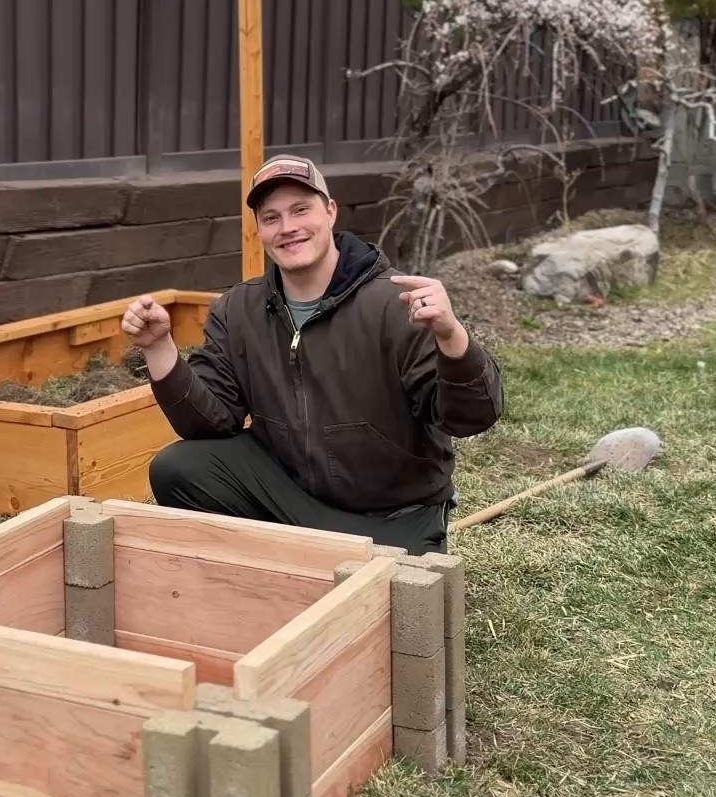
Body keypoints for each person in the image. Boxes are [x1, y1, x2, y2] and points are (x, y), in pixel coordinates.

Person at [121, 155, 504, 555]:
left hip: (392, 516)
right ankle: (279, 558)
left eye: (300, 210)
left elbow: (471, 417)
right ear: (259, 231)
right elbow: (209, 423)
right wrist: (159, 348)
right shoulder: (238, 310)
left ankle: (307, 556)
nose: (288, 227)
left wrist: (451, 335)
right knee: (179, 468)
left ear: (330, 211)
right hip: (291, 499)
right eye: (271, 218)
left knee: (394, 588)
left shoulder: (397, 303)